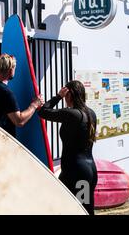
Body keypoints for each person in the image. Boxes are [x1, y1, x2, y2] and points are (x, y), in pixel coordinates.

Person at [38, 80, 98, 215]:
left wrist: (58, 96)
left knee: (79, 211)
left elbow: (43, 112)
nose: (64, 98)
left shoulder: (72, 114)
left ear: (69, 95)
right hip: (88, 170)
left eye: (66, 95)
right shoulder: (91, 113)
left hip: (77, 172)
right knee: (83, 210)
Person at [0, 53, 43, 138]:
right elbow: (19, 121)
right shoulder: (6, 92)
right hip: (2, 142)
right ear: (11, 70)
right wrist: (34, 105)